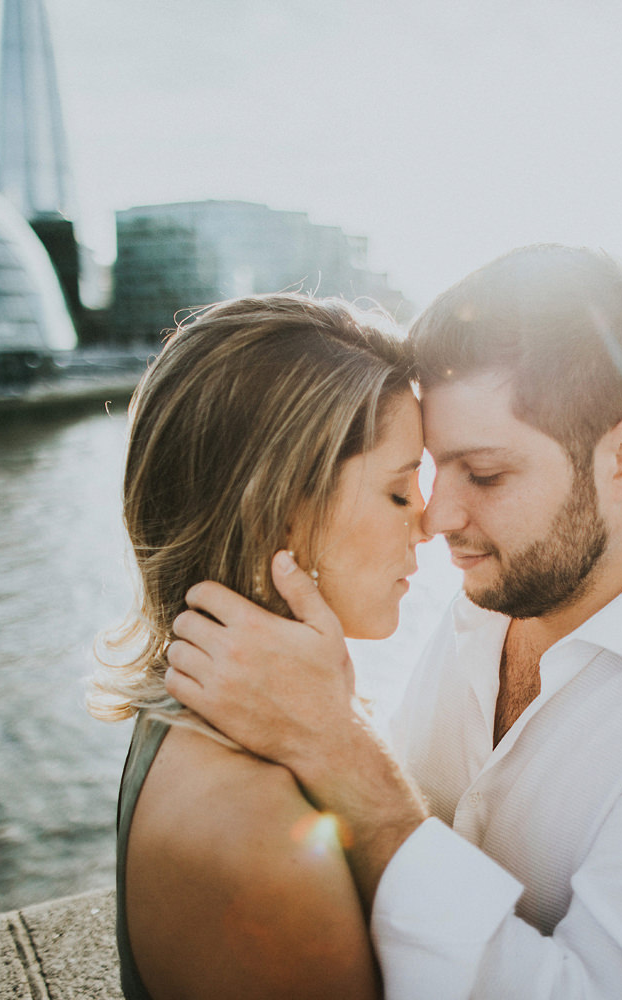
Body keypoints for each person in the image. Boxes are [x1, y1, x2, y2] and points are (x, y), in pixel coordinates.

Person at [166, 245, 622, 999]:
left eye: (488, 474)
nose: (436, 518)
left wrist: (344, 754)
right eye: (435, 470)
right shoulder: (488, 601)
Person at [87, 293, 431, 1000]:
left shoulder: (197, 700)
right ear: (280, 510)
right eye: (400, 493)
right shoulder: (259, 835)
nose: (427, 525)